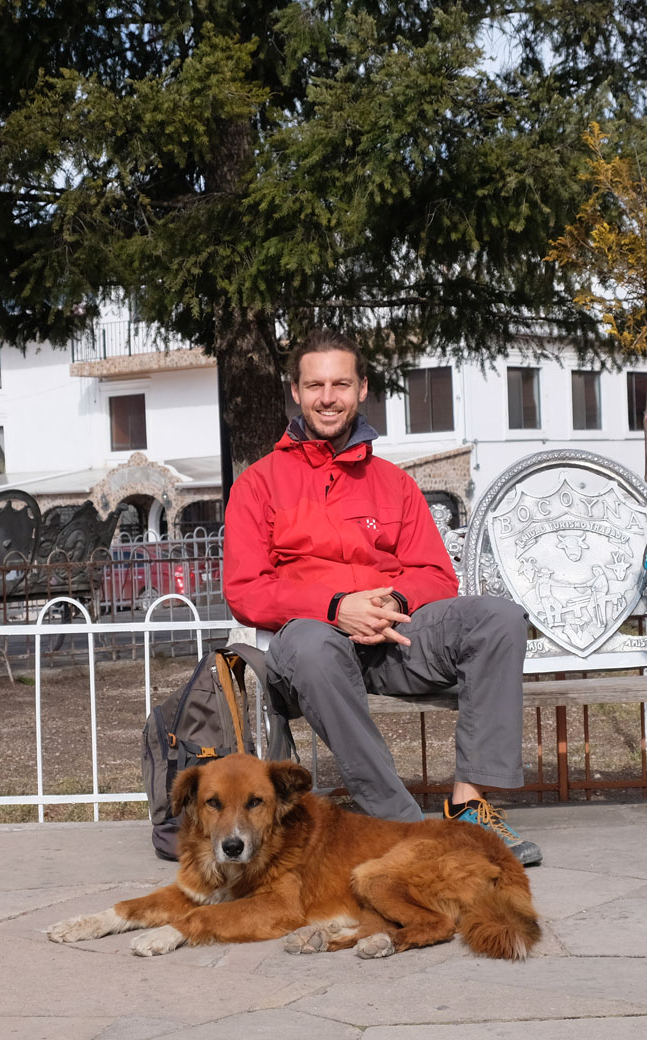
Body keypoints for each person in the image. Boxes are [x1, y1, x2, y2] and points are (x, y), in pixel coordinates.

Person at [223, 331, 539, 865]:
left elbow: (438, 576)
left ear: (362, 389)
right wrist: (336, 607)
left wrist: (390, 599)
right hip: (309, 649)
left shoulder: (393, 483)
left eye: (341, 383)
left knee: (499, 618)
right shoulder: (259, 484)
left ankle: (469, 804)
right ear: (295, 393)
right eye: (315, 384)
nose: (328, 396)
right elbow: (246, 590)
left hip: (393, 640)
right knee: (315, 646)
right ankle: (400, 826)